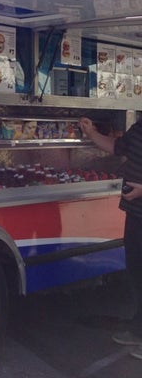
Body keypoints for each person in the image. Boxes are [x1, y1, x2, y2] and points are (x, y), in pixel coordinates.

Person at [79, 117, 142, 360]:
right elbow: (116, 147)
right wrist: (91, 132)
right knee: (136, 273)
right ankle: (138, 330)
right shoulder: (139, 128)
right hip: (135, 213)